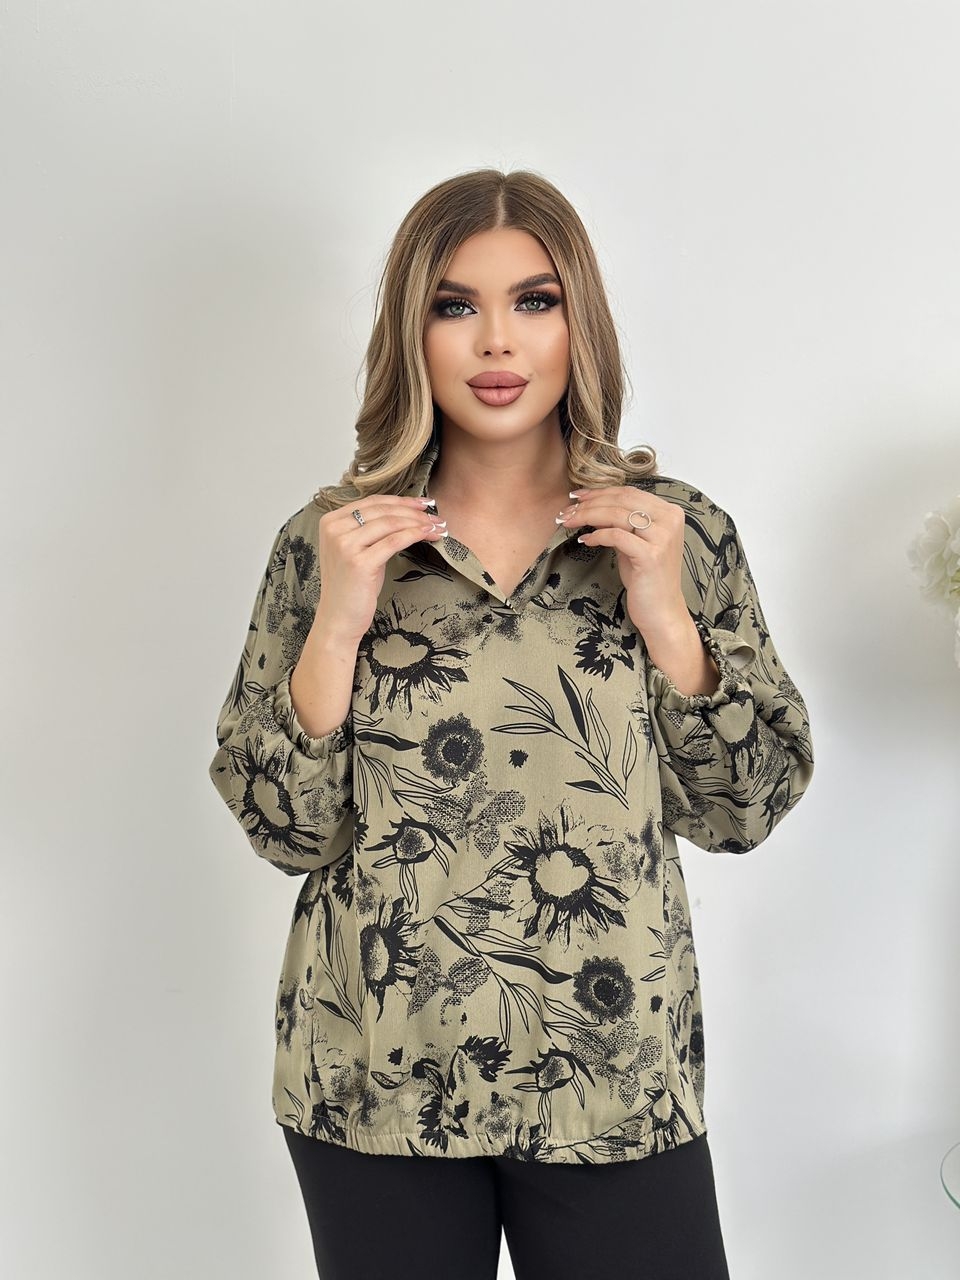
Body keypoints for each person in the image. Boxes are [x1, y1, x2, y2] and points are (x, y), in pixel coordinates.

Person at [207, 168, 815, 1280]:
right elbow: (284, 830)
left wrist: (668, 618)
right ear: (412, 330)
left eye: (535, 300)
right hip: (376, 1084)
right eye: (456, 305)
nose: (497, 340)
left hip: (613, 1076)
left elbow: (745, 808)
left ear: (582, 323)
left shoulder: (676, 534)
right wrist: (338, 624)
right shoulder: (330, 542)